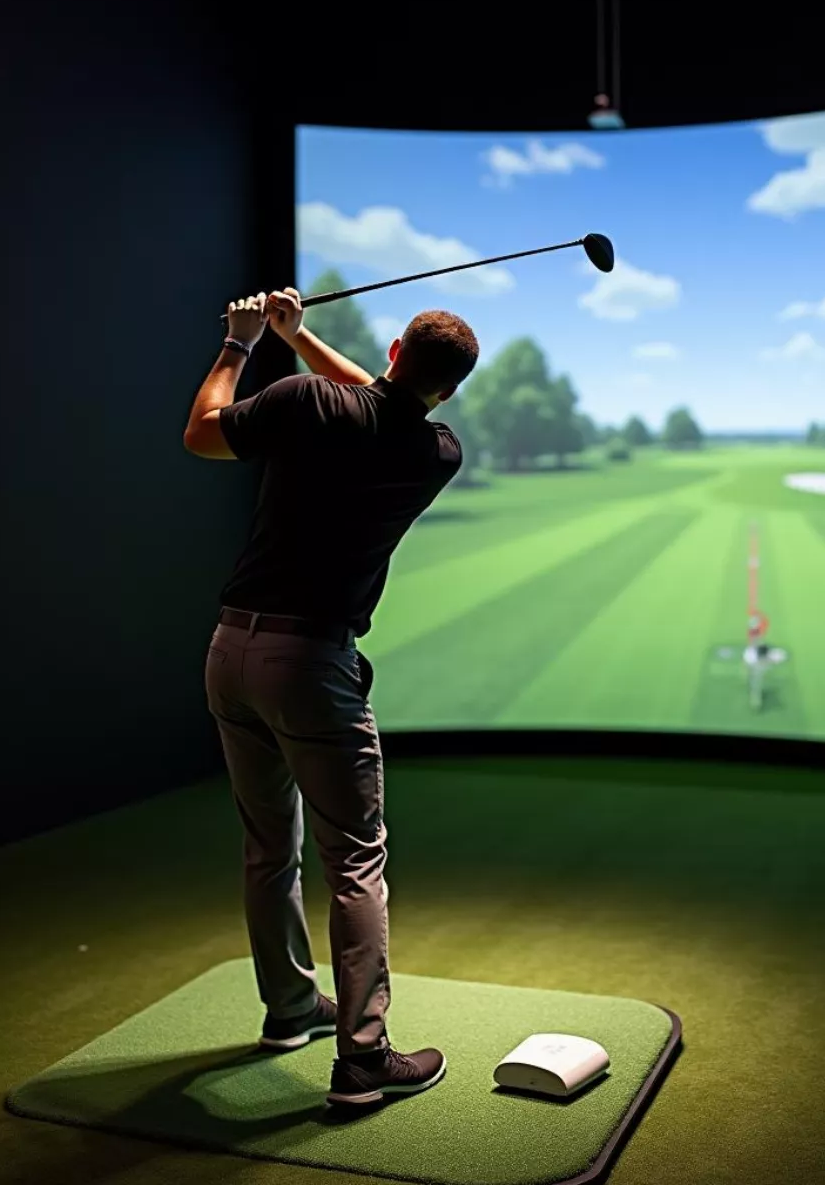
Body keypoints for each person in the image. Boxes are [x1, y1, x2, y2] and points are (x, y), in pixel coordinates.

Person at [183, 288, 478, 1105]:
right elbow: (389, 408)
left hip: (230, 651)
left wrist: (245, 344)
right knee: (354, 857)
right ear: (446, 391)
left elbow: (202, 434)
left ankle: (287, 1007)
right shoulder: (437, 452)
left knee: (268, 846)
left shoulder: (305, 400)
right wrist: (299, 337)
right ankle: (362, 1061)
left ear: (391, 350)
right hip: (312, 664)